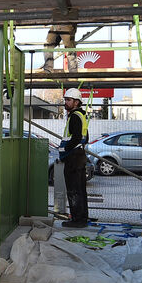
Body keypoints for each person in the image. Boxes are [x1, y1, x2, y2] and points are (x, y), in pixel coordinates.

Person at [60, 88, 90, 228]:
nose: (65, 102)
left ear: (76, 102)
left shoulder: (74, 117)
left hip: (73, 158)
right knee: (80, 189)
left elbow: (77, 137)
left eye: (68, 100)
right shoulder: (80, 116)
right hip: (79, 156)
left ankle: (77, 220)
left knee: (73, 190)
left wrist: (65, 148)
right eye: (65, 99)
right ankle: (82, 218)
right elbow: (85, 137)